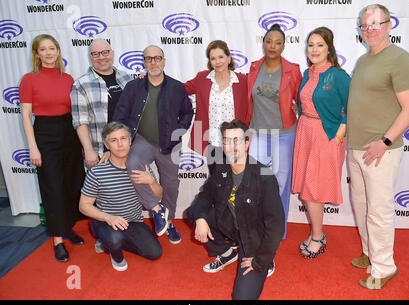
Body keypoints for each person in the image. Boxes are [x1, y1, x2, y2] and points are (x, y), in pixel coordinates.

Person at [347, 4, 409, 289]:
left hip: (381, 151)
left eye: (376, 24)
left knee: (378, 210)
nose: (370, 30)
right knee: (362, 205)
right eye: (365, 26)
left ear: (389, 25)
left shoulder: (400, 60)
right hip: (357, 148)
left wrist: (385, 142)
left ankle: (385, 266)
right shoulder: (364, 60)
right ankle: (370, 252)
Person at [187, 119, 284, 300]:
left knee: (241, 299)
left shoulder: (264, 177)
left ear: (247, 143)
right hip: (231, 225)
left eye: (237, 140)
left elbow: (276, 227)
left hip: (254, 239)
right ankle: (226, 253)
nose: (232, 146)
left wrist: (260, 261)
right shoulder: (221, 167)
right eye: (227, 141)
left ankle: (268, 261)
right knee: (194, 213)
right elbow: (205, 196)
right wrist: (200, 218)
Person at [113, 45, 194, 244]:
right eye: (148, 59)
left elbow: (187, 112)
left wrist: (179, 131)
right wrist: (121, 141)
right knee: (132, 163)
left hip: (170, 142)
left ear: (164, 61)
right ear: (144, 62)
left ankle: (170, 222)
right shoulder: (133, 87)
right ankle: (157, 210)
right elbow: (120, 116)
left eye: (157, 58)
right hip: (143, 140)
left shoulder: (176, 87)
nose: (153, 62)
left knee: (171, 186)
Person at [19, 34, 86, 262]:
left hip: (69, 132)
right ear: (36, 54)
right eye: (43, 49)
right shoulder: (29, 79)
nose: (48, 53)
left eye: (52, 48)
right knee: (53, 188)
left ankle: (67, 228)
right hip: (45, 135)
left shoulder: (67, 78)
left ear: (58, 51)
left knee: (71, 184)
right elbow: (26, 116)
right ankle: (58, 240)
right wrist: (33, 148)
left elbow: (76, 111)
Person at [291, 27, 351, 259]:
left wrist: (339, 135)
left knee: (314, 190)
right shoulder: (308, 73)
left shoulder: (338, 75)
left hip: (326, 136)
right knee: (308, 189)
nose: (314, 49)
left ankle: (318, 237)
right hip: (305, 132)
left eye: (320, 45)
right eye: (311, 45)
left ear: (329, 48)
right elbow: (307, 101)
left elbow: (352, 106)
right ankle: (318, 232)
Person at [79, 122, 162, 271]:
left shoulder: (141, 167)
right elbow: (83, 206)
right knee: (114, 240)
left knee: (155, 253)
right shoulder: (97, 172)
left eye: (123, 138)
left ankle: (110, 242)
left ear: (130, 141)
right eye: (114, 140)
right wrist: (109, 218)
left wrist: (152, 182)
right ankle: (112, 248)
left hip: (133, 221)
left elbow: (158, 196)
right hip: (106, 222)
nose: (120, 144)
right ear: (107, 145)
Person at [246, 23, 302, 239]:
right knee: (257, 182)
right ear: (263, 43)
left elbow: (304, 97)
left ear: (284, 46)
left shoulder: (293, 70)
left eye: (278, 42)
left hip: (284, 134)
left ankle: (277, 229)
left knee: (280, 183)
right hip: (258, 132)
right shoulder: (253, 68)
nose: (272, 46)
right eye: (269, 41)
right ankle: (258, 226)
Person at [184, 40, 248, 174]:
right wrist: (152, 79)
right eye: (213, 58)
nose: (217, 62)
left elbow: (260, 94)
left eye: (221, 57)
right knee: (217, 183)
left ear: (229, 58)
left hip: (236, 142)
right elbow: (179, 89)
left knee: (237, 183)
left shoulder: (243, 81)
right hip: (212, 141)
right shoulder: (202, 78)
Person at [71, 39, 133, 168]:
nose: (101, 57)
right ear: (90, 57)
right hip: (101, 152)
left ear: (112, 53)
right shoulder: (81, 85)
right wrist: (88, 150)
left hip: (130, 150)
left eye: (105, 52)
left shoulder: (127, 78)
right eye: (96, 54)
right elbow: (80, 122)